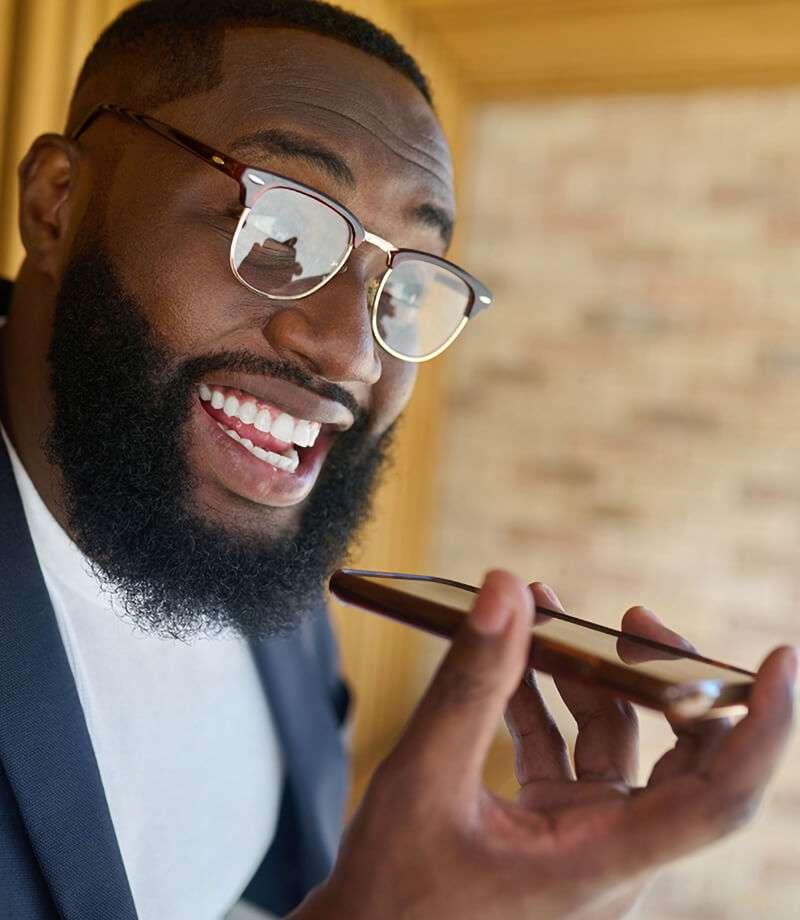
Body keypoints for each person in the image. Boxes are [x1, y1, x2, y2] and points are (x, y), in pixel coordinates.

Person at [0, 2, 794, 918]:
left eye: (405, 280)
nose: (354, 353)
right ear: (58, 203)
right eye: (282, 228)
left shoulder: (263, 558)